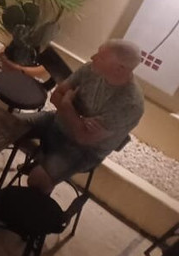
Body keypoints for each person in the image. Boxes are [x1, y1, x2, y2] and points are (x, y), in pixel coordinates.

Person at [22, 39, 145, 195]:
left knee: (39, 179)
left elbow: (83, 138)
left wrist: (67, 105)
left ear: (119, 69)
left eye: (101, 57)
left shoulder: (130, 104)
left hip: (84, 150)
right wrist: (78, 120)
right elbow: (56, 96)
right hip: (56, 122)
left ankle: (27, 205)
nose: (93, 57)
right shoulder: (91, 69)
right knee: (6, 122)